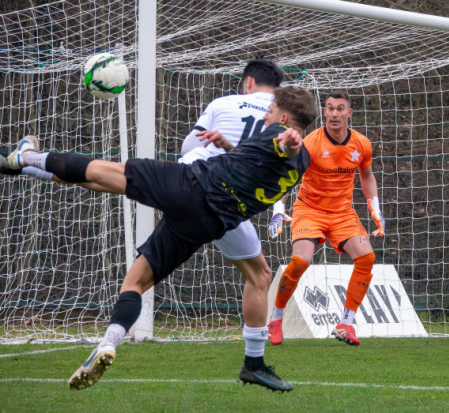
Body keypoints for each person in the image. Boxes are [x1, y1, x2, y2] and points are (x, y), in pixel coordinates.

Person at [4, 85, 318, 391]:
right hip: (211, 223)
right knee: (137, 281)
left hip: (191, 186)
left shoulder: (279, 135)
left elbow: (282, 145)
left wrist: (288, 140)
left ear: (285, 119)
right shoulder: (302, 160)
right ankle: (109, 343)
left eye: (272, 110)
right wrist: (232, 148)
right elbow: (272, 159)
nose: (266, 116)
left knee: (107, 172)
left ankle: (27, 158)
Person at [266, 90, 384, 347]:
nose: (334, 113)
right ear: (324, 113)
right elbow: (290, 176)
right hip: (310, 209)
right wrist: (277, 210)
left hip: (342, 212)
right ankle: (275, 319)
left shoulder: (361, 144)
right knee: (300, 261)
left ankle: (345, 323)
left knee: (367, 258)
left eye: (340, 108)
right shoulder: (311, 143)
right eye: (329, 108)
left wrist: (375, 208)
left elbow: (366, 175)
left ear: (349, 114)